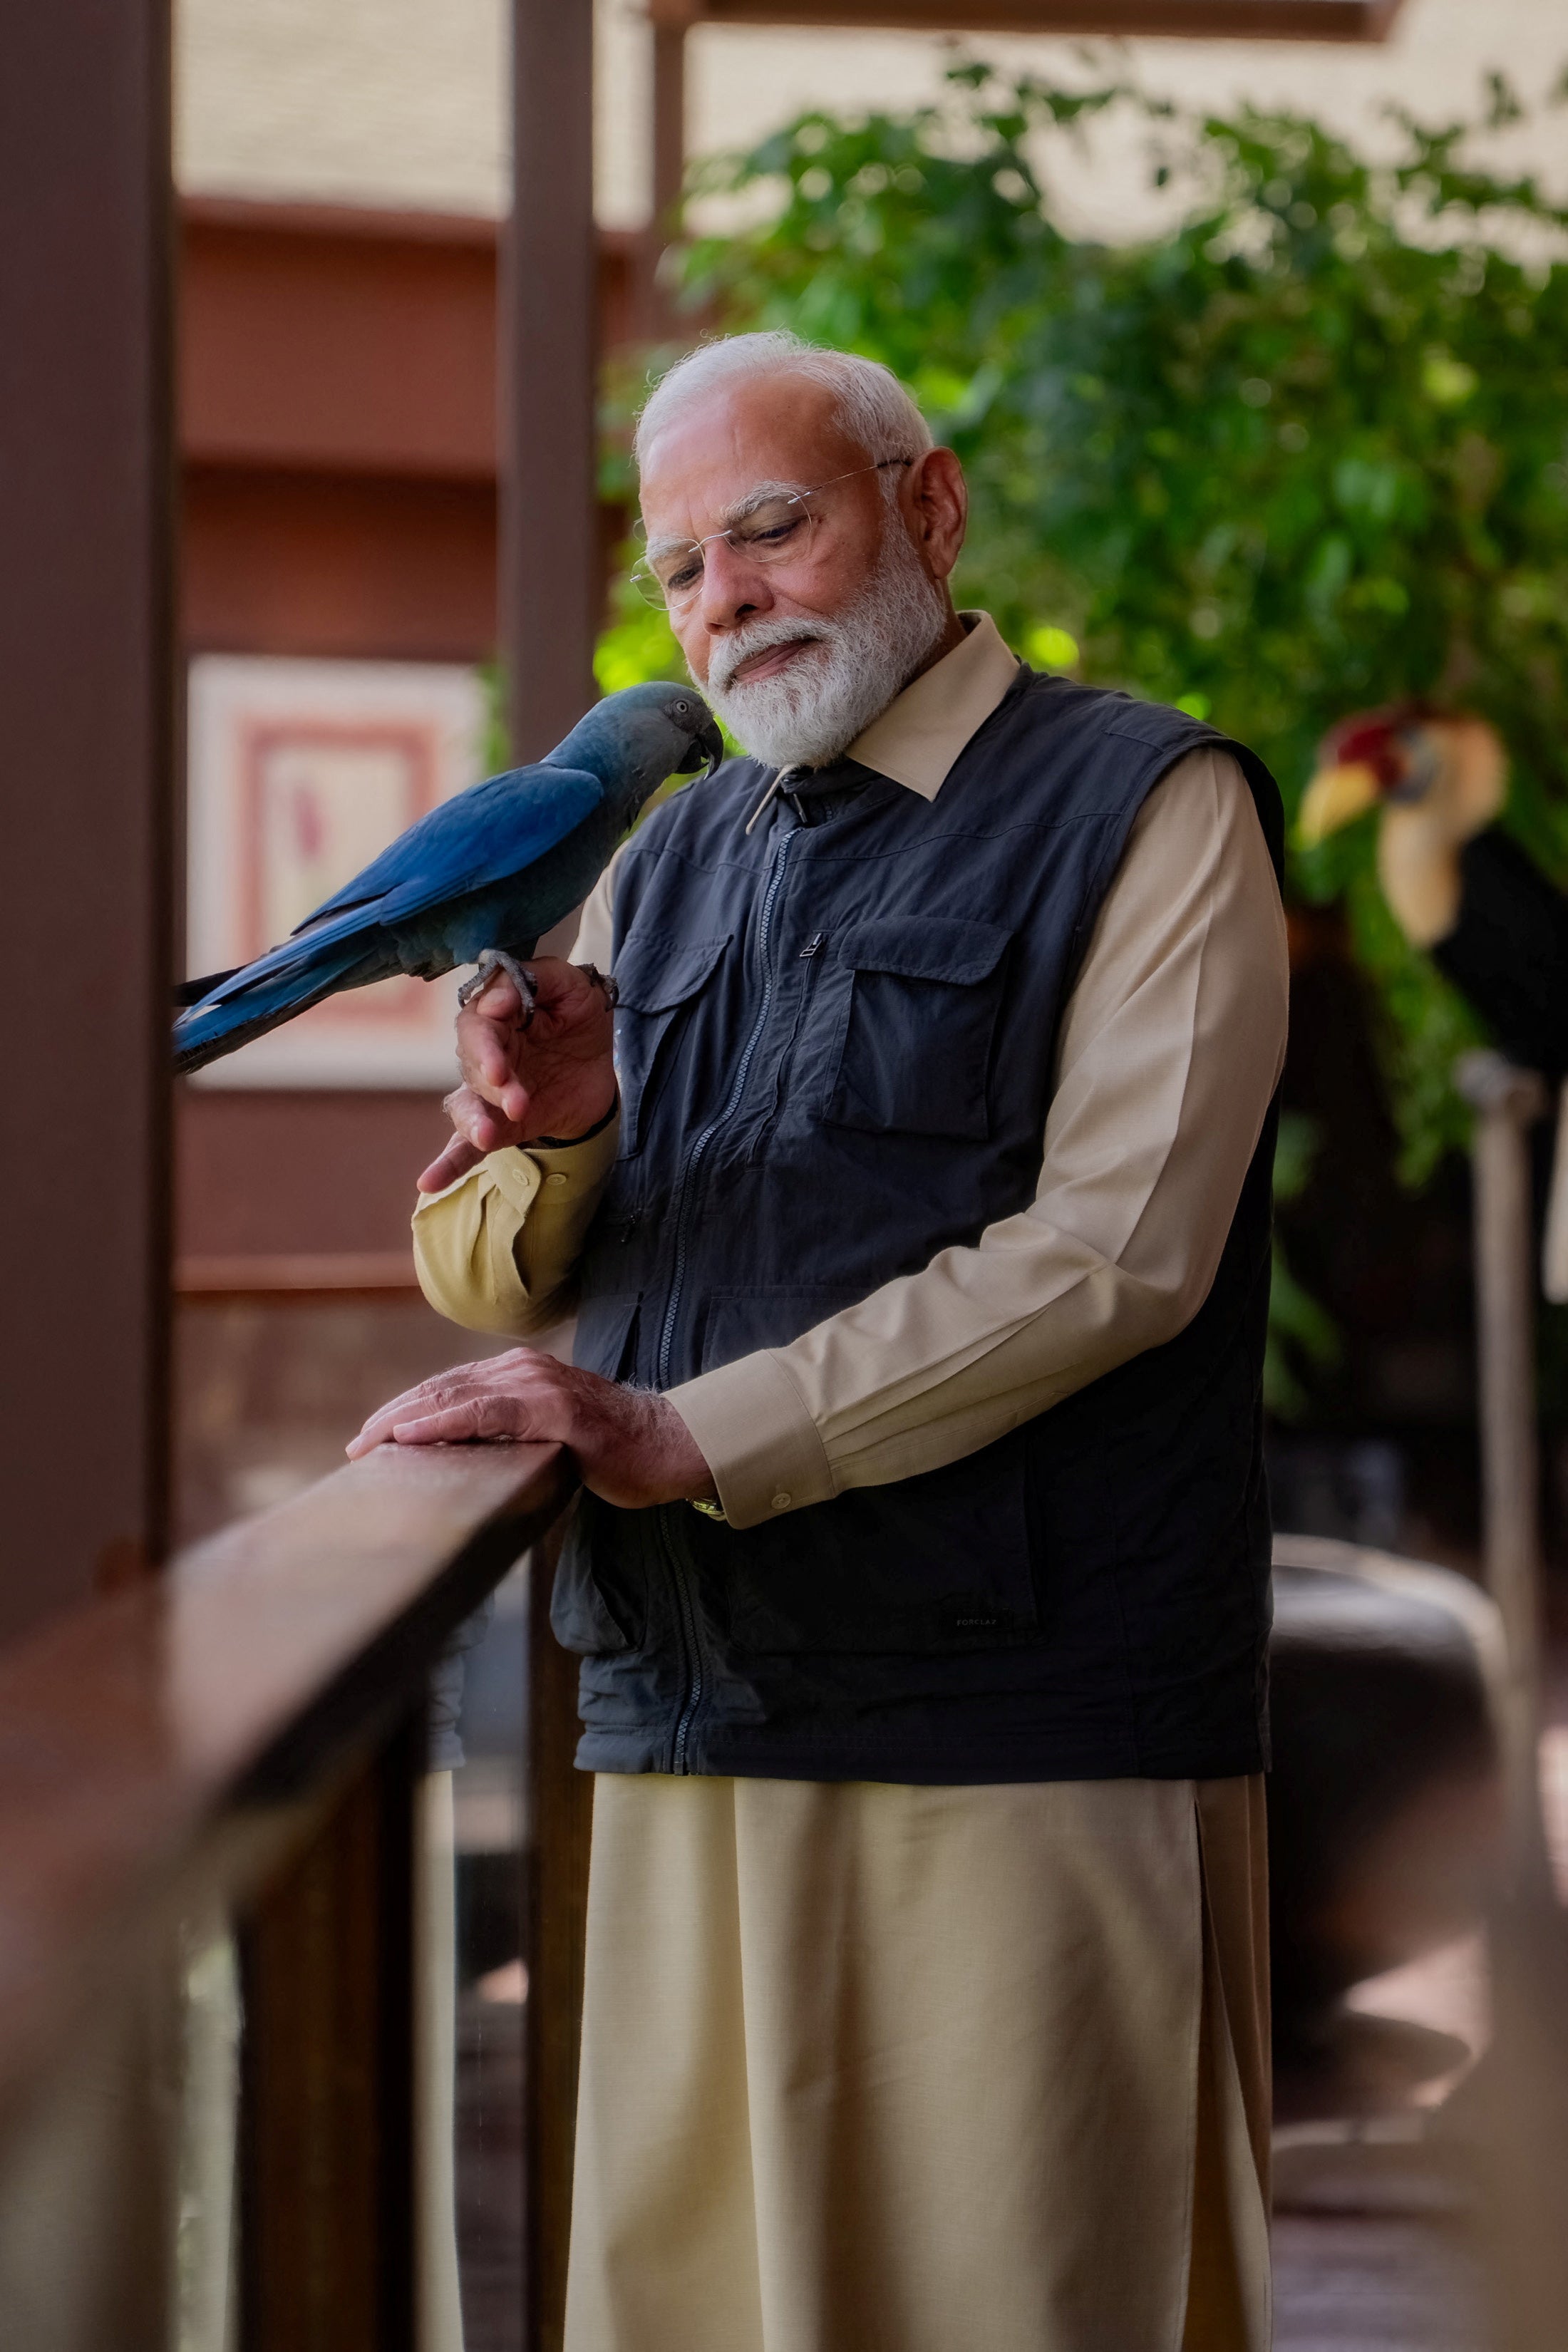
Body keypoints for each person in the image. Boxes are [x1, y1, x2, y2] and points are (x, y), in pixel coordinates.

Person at [351, 331, 1289, 2352]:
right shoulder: (661, 855)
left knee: (1026, 2307)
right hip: (686, 1727)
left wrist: (692, 1430)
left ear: (928, 510)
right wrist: (567, 1130)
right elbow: (489, 1280)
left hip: (1023, 1743)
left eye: (772, 528)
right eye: (681, 568)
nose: (725, 602)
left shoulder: (1152, 801)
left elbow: (1123, 1251)